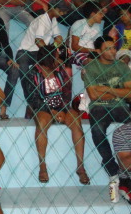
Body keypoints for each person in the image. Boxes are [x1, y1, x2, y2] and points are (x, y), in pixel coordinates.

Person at [25, 45, 89, 185]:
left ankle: (80, 166)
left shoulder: (61, 71)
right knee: (41, 125)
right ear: (49, 58)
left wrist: (62, 109)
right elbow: (32, 98)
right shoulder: (33, 73)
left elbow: (67, 92)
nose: (59, 58)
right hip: (43, 108)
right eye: (56, 56)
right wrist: (51, 111)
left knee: (77, 124)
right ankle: (42, 166)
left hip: (62, 107)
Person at [82, 36, 131, 197]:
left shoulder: (123, 67)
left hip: (121, 107)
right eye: (107, 48)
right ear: (98, 51)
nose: (112, 51)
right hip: (99, 107)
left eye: (113, 48)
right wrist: (119, 92)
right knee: (97, 130)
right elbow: (94, 95)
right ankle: (112, 169)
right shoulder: (91, 67)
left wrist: (106, 90)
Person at [14, 0, 66, 119]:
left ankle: (52, 102)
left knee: (53, 68)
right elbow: (38, 41)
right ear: (54, 9)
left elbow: (58, 38)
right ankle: (31, 104)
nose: (63, 14)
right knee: (25, 74)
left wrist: (56, 47)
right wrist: (51, 51)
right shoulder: (43, 20)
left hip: (40, 53)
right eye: (61, 11)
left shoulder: (53, 20)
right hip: (26, 52)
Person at [69, 2, 106, 66]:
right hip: (78, 53)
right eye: (100, 13)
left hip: (93, 54)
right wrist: (92, 50)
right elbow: (74, 47)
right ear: (92, 14)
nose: (102, 16)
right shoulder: (79, 24)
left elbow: (98, 44)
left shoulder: (97, 26)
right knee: (91, 62)